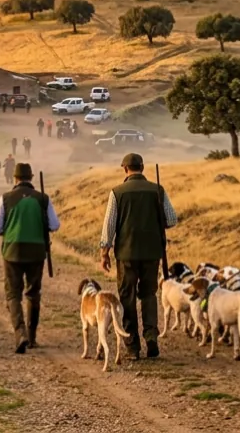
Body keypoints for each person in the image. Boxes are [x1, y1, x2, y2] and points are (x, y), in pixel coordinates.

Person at [99, 153, 178, 360]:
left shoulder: (117, 192)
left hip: (126, 254)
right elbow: (171, 219)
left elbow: (109, 226)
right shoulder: (157, 190)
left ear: (125, 169)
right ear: (142, 167)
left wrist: (104, 251)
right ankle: (151, 336)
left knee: (127, 297)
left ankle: (132, 345)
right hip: (152, 253)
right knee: (149, 295)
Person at [0, 163, 60, 354]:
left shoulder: (6, 198)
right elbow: (54, 225)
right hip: (37, 251)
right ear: (31, 178)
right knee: (33, 293)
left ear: (14, 178)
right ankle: (32, 337)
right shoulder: (42, 198)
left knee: (13, 294)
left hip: (12, 251)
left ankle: (20, 334)